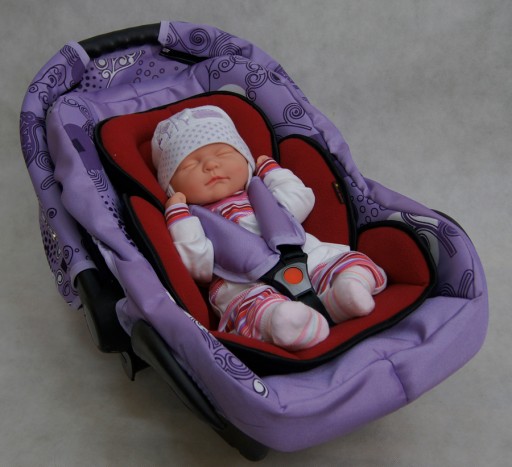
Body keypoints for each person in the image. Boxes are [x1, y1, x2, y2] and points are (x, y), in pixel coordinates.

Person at [152, 105, 387, 351]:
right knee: (250, 308)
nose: (211, 165)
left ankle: (347, 292)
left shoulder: (262, 192)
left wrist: (274, 174)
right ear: (172, 188)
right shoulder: (193, 219)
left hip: (305, 255)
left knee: (347, 262)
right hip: (242, 282)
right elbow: (197, 264)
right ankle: (283, 321)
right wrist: (179, 218)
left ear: (246, 161)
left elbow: (300, 201)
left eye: (223, 153)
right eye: (189, 165)